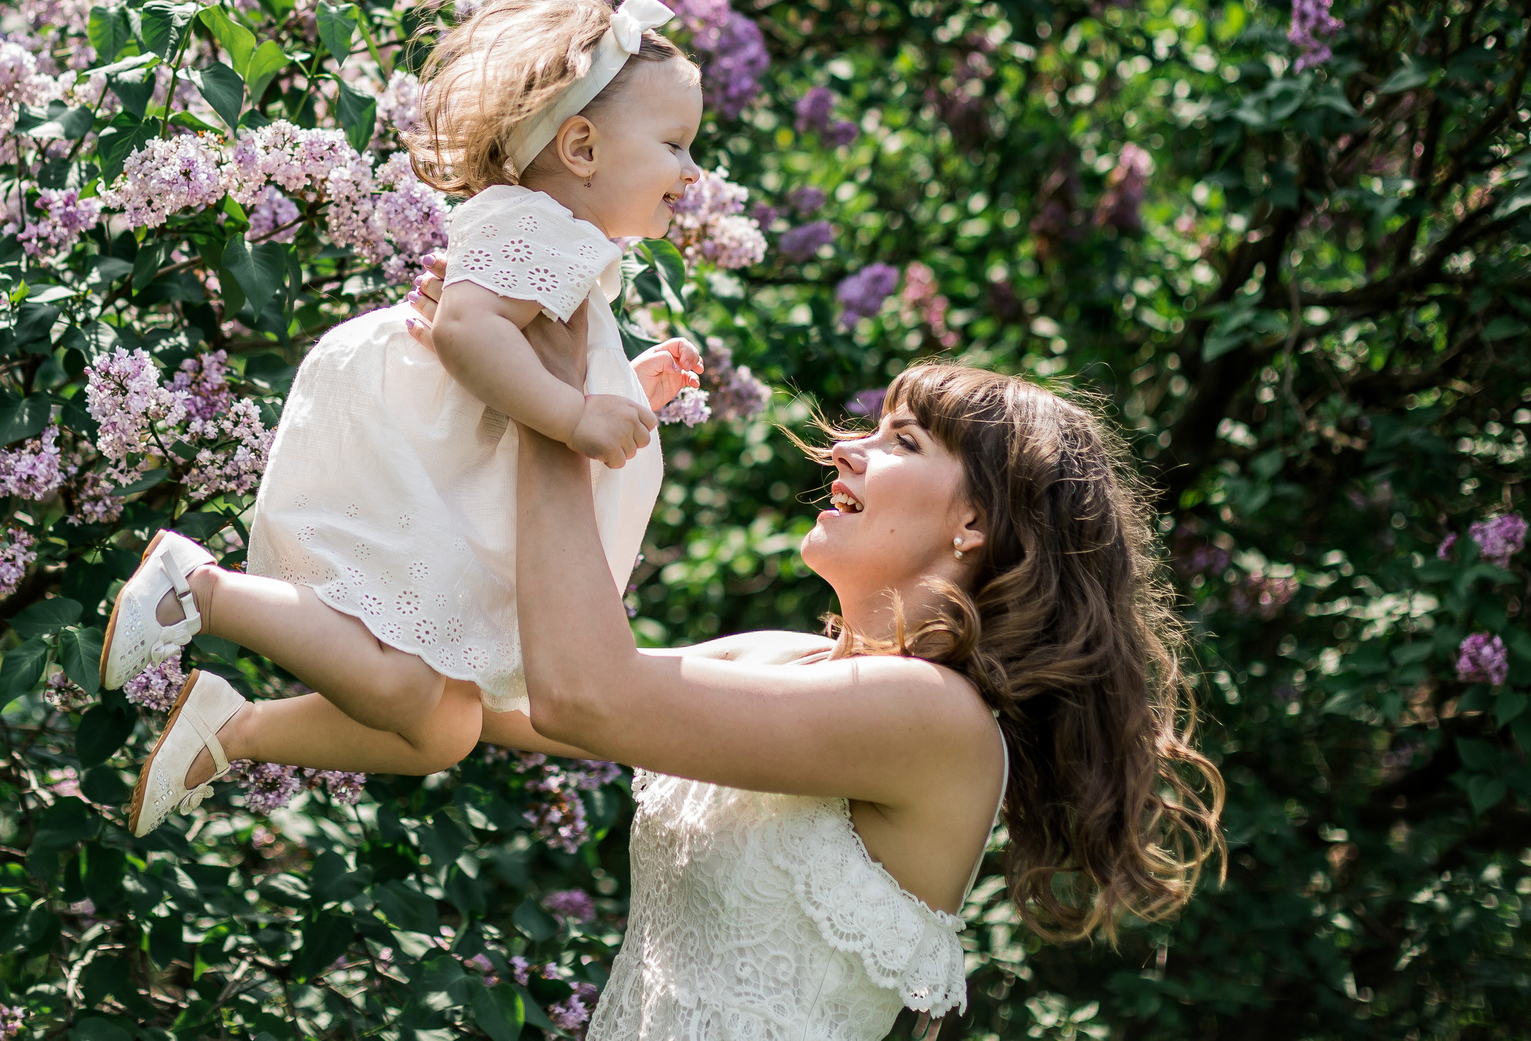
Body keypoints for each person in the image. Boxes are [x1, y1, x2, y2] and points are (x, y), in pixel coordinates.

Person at [502, 309, 1226, 1040]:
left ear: (974, 522)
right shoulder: (776, 657)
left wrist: (553, 404)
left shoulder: (933, 713)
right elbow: (505, 693)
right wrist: (533, 402)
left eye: (902, 441)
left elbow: (581, 695)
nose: (844, 447)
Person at [98, 0, 711, 834]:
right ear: (581, 146)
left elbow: (530, 357)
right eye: (676, 144)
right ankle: (197, 590)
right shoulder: (540, 226)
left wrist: (623, 387)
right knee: (409, 690)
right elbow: (467, 330)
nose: (692, 170)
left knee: (443, 728)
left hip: (448, 474)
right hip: (416, 469)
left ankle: (226, 729)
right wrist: (575, 418)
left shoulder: (560, 236)